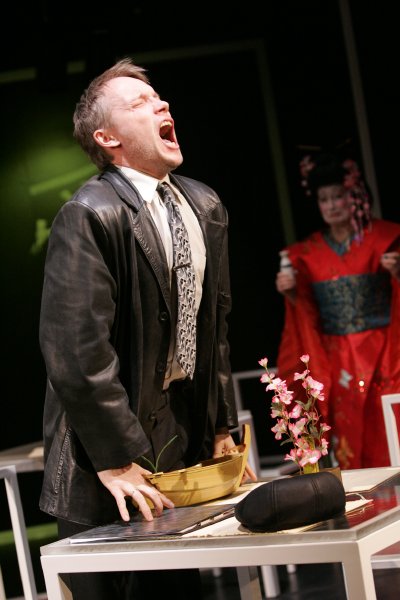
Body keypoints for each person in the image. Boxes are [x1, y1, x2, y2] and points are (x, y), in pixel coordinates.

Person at [38, 57, 256, 600]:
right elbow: (76, 352)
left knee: (175, 590)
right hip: (101, 455)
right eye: (140, 103)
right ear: (107, 137)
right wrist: (116, 459)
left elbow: (214, 329)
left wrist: (221, 425)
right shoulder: (89, 213)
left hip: (178, 439)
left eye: (158, 97)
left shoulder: (204, 204)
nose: (161, 105)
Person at [275, 151, 400, 470]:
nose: (331, 205)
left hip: (383, 351)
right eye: (324, 199)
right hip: (336, 356)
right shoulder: (307, 254)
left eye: (338, 197)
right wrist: (293, 292)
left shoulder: (386, 239)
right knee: (346, 431)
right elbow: (307, 313)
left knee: (387, 425)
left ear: (355, 197)